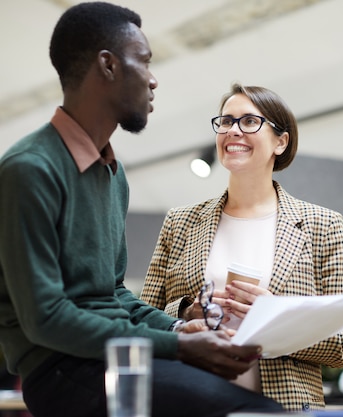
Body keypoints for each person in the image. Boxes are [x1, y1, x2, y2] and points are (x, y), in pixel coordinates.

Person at [0, 3, 283, 417]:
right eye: (145, 61)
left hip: (117, 359)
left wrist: (177, 327)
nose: (152, 80)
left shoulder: (113, 174)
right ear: (108, 66)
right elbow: (47, 319)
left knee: (256, 406)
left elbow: (113, 294)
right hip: (61, 369)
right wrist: (180, 346)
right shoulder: (30, 169)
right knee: (250, 412)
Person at [140, 83, 343, 411]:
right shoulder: (180, 222)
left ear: (280, 141)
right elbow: (139, 322)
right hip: (189, 401)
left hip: (282, 407)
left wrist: (279, 318)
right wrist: (185, 313)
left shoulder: (322, 225)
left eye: (248, 122)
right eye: (227, 121)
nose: (233, 131)